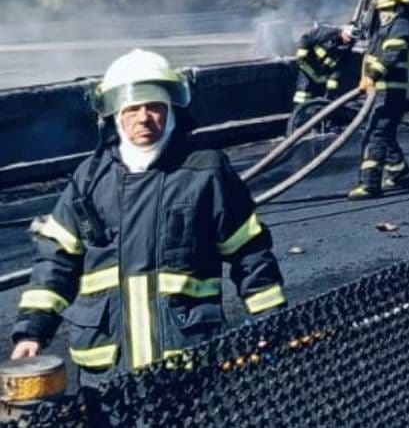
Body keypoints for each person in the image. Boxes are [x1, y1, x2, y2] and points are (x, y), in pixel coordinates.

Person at [9, 50, 286, 384]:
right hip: (107, 370)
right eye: (132, 108)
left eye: (154, 106)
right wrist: (32, 331)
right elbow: (56, 260)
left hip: (188, 361)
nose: (143, 118)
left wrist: (271, 322)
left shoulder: (205, 171)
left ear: (171, 110)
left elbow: (250, 253)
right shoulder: (89, 179)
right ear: (115, 115)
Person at [349, 0, 409, 200]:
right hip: (383, 91)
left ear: (398, 7)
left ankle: (370, 185)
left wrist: (372, 75)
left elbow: (391, 55)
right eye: (381, 10)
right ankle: (401, 176)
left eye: (386, 9)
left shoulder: (401, 26)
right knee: (384, 134)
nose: (382, 14)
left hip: (393, 91)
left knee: (376, 134)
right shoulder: (386, 28)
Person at [290, 22, 356, 109]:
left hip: (322, 75)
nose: (349, 40)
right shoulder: (327, 32)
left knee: (320, 100)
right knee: (302, 95)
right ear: (344, 31)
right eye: (348, 36)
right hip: (308, 67)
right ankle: (299, 112)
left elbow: (338, 68)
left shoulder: (347, 49)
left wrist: (331, 91)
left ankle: (316, 113)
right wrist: (301, 54)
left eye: (351, 39)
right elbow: (307, 38)